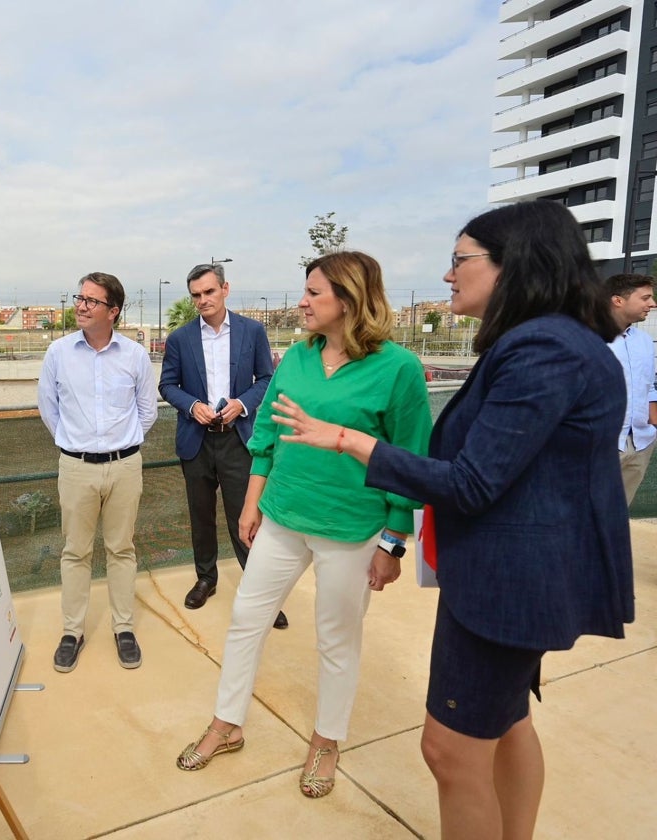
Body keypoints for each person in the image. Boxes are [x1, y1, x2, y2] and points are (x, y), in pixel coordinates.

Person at [270, 201, 634, 838]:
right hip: (517, 579)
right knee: (510, 722)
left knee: (450, 750)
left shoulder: (543, 348)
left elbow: (471, 482)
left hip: (506, 589)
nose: (447, 275)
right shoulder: (553, 342)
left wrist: (349, 442)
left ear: (511, 265)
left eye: (460, 259)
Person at [174, 251, 432, 800]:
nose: (302, 301)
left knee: (337, 639)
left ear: (349, 298)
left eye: (314, 292)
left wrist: (392, 541)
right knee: (246, 618)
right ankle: (228, 722)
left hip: (351, 529)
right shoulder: (297, 355)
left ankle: (326, 740)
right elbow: (266, 430)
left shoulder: (399, 369)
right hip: (284, 518)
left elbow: (410, 461)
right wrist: (252, 503)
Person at [38, 272, 158, 672]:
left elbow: (147, 411)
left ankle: (123, 628)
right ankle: (73, 631)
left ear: (113, 311)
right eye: (80, 297)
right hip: (75, 468)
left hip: (126, 467)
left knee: (122, 549)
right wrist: (76, 445)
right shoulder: (58, 353)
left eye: (92, 300)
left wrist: (121, 445)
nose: (82, 305)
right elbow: (48, 408)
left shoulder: (135, 355)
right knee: (75, 551)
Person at [159, 263, 287, 629]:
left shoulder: (252, 331)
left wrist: (242, 404)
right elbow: (167, 386)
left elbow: (266, 379)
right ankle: (206, 579)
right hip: (196, 442)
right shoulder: (180, 339)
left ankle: (260, 593)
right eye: (196, 295)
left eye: (209, 292)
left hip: (238, 440)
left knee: (245, 519)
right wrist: (192, 406)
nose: (203, 300)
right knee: (200, 516)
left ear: (225, 289)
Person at [606, 273, 657, 505]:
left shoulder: (644, 341)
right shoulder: (587, 337)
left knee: (617, 515)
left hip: (641, 443)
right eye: (645, 298)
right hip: (602, 443)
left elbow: (650, 384)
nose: (652, 304)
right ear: (618, 300)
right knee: (583, 516)